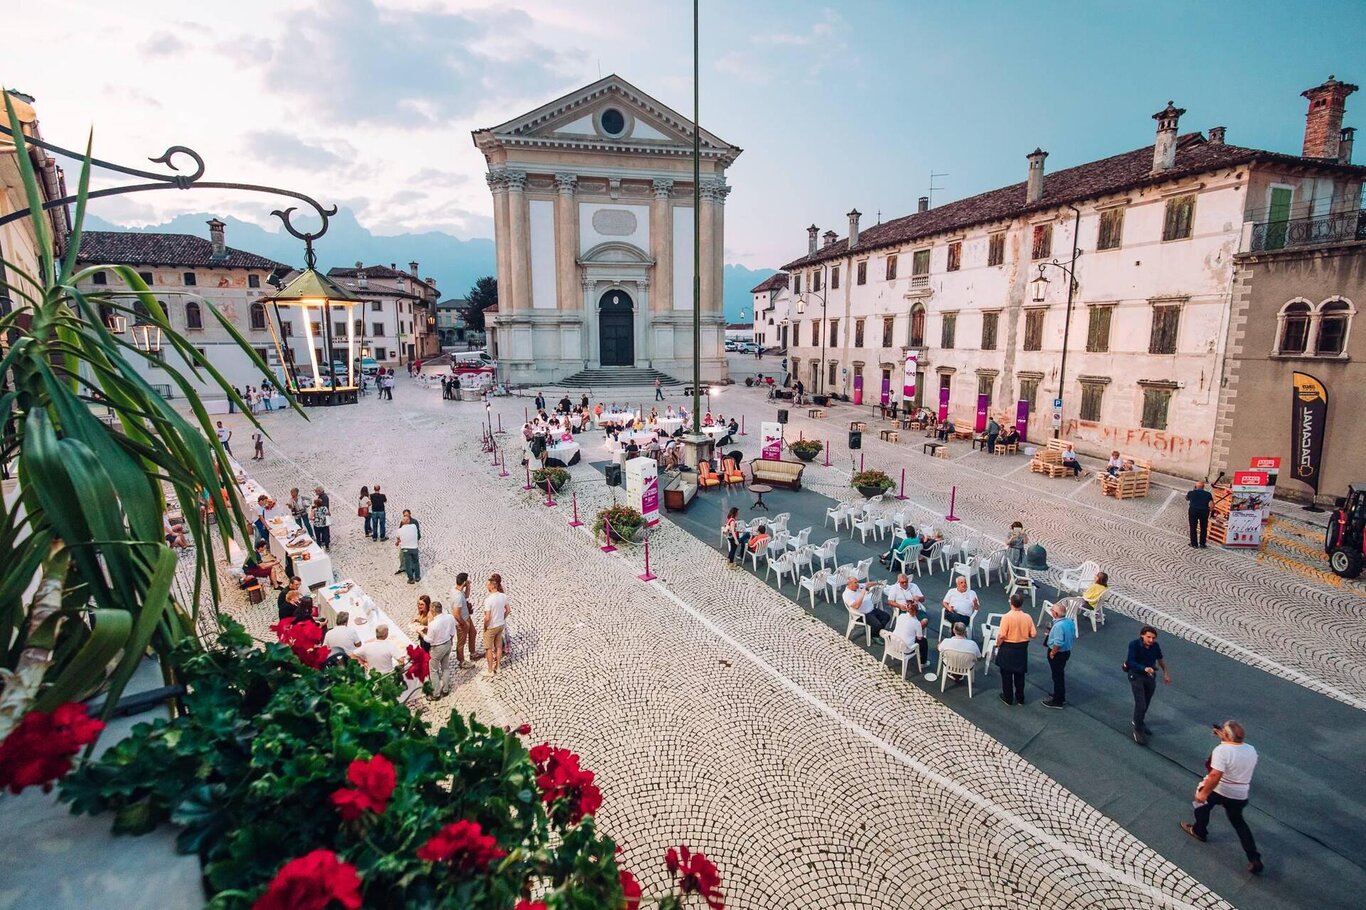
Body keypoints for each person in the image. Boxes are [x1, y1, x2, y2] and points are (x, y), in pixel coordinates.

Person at [1181, 720, 1263, 875]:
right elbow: (1235, 752)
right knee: (1239, 823)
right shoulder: (1251, 750)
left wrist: (1204, 792)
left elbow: (1215, 775)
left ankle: (1199, 830)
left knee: (1201, 804)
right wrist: (1224, 738)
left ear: (1226, 735)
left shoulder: (1222, 751)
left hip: (1220, 789)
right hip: (1240, 794)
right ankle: (1254, 858)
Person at [1123, 625, 1171, 744]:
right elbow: (1130, 661)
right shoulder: (1134, 645)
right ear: (1142, 635)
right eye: (1149, 637)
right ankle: (1138, 730)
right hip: (1136, 675)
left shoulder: (1155, 646)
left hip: (1150, 676)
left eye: (1153, 638)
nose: (1151, 640)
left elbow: (1160, 660)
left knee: (1146, 701)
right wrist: (1144, 668)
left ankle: (1139, 720)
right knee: (1141, 704)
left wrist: (1166, 673)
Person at [994, 592, 1037, 705]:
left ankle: (1008, 698)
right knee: (1020, 675)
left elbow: (1002, 635)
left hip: (1008, 648)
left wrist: (998, 644)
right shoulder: (1027, 617)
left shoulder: (1007, 617)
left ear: (1011, 603)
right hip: (1022, 649)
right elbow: (1033, 634)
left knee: (1006, 675)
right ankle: (1020, 698)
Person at [884, 573, 928, 665]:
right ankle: (914, 638)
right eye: (902, 582)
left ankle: (913, 634)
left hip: (916, 609)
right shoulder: (894, 588)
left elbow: (923, 599)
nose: (904, 584)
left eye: (906, 582)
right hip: (903, 610)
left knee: (924, 621)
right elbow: (890, 601)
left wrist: (918, 598)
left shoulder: (914, 586)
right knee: (916, 627)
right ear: (899, 582)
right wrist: (899, 605)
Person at [1041, 601, 1076, 709]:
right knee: (1059, 675)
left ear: (1055, 614)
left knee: (1057, 676)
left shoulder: (1058, 626)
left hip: (1058, 654)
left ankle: (1058, 700)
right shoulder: (1069, 622)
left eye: (1052, 610)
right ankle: (1059, 695)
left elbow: (1058, 643)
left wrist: (1052, 653)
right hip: (1066, 651)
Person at [449, 573, 483, 667]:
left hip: (466, 617)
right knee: (461, 641)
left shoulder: (455, 589)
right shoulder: (458, 597)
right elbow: (456, 614)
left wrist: (468, 586)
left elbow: (466, 595)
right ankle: (461, 661)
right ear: (464, 582)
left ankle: (473, 653)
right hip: (461, 621)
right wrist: (464, 624)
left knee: (473, 633)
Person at [842, 576, 891, 640]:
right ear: (849, 584)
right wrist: (862, 594)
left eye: (857, 582)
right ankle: (874, 635)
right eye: (855, 583)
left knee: (886, 616)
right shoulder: (846, 595)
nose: (857, 584)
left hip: (871, 609)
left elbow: (867, 584)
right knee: (877, 625)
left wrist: (877, 582)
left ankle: (875, 631)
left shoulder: (857, 586)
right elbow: (856, 606)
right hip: (862, 614)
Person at [426, 601, 456, 699]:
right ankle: (446, 689)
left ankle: (436, 693)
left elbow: (429, 640)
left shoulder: (433, 624)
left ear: (433, 610)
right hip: (447, 644)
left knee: (433, 670)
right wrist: (451, 640)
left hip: (437, 648)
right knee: (445, 667)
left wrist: (421, 633)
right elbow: (452, 631)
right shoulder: (449, 617)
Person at [483, 574, 509, 678]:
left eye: (488, 585)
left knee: (488, 648)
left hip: (491, 627)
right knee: (498, 646)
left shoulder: (488, 600)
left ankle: (490, 670)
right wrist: (502, 618)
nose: (487, 586)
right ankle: (498, 667)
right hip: (500, 624)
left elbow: (487, 617)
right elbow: (508, 610)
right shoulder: (503, 596)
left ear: (492, 586)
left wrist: (485, 625)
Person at [396, 509, 421, 583]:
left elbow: (398, 538)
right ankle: (417, 577)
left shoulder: (400, 530)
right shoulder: (413, 526)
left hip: (406, 548)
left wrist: (398, 542)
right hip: (414, 547)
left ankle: (410, 579)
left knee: (408, 563)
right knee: (416, 562)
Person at [1186, 480, 1213, 548]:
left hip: (1193, 511)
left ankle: (1194, 544)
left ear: (1195, 486)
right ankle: (1202, 543)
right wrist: (1210, 511)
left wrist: (1193, 490)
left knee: (1193, 527)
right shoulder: (1208, 494)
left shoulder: (1191, 493)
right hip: (1204, 512)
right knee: (1203, 528)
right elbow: (1211, 504)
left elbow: (1187, 498)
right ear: (1203, 487)